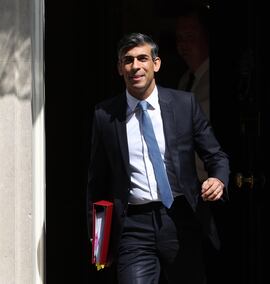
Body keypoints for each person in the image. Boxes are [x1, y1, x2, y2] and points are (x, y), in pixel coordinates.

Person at [87, 32, 230, 284]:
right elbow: (98, 181)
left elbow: (215, 154)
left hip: (180, 217)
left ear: (156, 63)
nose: (135, 66)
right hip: (133, 225)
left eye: (142, 58)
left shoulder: (184, 104)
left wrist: (218, 180)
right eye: (128, 60)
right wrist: (99, 243)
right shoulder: (105, 115)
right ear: (120, 68)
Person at [175, 6, 210, 181]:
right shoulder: (185, 80)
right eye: (180, 38)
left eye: (190, 37)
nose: (183, 45)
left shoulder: (214, 82)